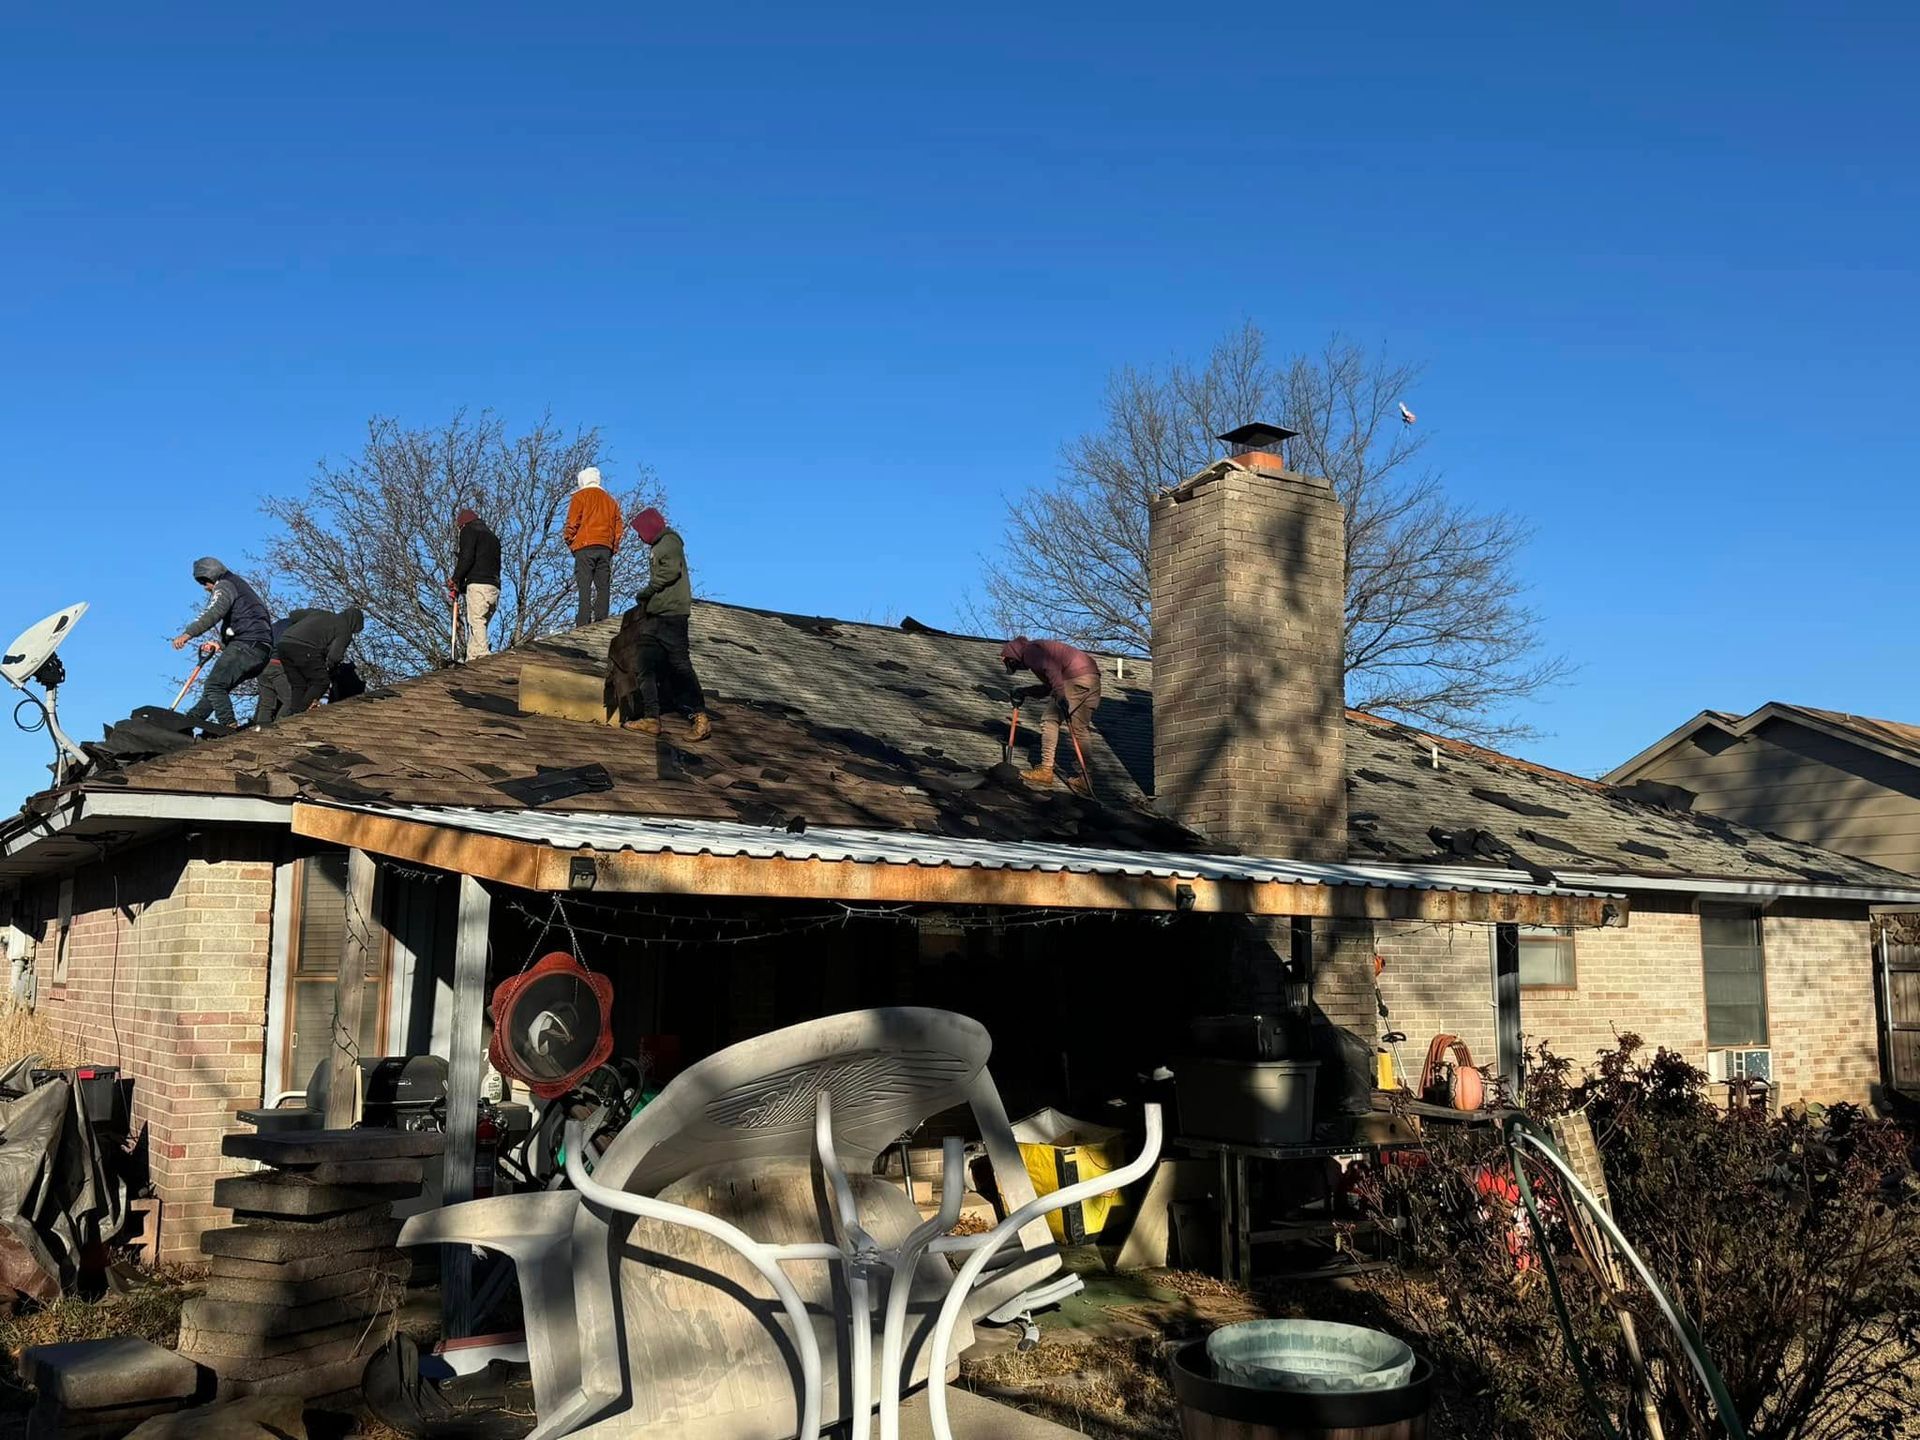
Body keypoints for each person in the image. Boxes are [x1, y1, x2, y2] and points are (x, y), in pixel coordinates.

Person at [613, 507, 710, 741]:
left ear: (649, 527)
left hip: (671, 616)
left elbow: (670, 571)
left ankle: (700, 717)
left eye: (640, 531)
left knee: (680, 665)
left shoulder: (669, 542)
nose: (639, 537)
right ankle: (651, 718)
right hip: (656, 616)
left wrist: (647, 591)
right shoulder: (660, 545)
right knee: (644, 663)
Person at [172, 558, 274, 728]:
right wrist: (223, 645)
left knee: (214, 686)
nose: (205, 588)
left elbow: (213, 612)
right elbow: (251, 622)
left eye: (204, 582)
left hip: (246, 645)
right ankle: (188, 723)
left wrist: (188, 633)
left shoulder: (225, 585)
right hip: (261, 650)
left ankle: (228, 726)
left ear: (210, 575)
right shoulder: (241, 587)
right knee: (216, 691)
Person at [1001, 636, 1101, 791]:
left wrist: (1061, 694)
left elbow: (1051, 669)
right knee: (1080, 728)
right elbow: (1050, 686)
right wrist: (1025, 692)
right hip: (1092, 679)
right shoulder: (1040, 650)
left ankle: (1046, 770)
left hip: (1074, 677)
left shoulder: (1030, 651)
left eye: (1015, 666)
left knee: (1050, 720)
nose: (1020, 668)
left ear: (1013, 658)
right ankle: (1085, 778)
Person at [255, 607, 365, 725]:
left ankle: (290, 713)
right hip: (303, 648)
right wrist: (330, 668)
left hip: (284, 645)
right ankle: (297, 713)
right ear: (354, 624)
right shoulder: (345, 629)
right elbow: (335, 656)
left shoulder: (320, 613)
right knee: (322, 681)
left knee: (298, 684)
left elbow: (294, 613)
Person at [564, 466, 622, 626]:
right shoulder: (611, 501)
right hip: (605, 548)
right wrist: (613, 547)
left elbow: (573, 522)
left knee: (584, 585)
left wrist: (569, 539)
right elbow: (618, 528)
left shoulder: (580, 497)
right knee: (603, 585)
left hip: (585, 546)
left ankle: (583, 620)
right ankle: (601, 619)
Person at [451, 508, 502, 659]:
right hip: (494, 586)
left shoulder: (469, 531)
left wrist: (455, 578)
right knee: (480, 623)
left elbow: (466, 558)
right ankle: (472, 657)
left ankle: (481, 654)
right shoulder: (492, 537)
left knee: (476, 620)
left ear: (462, 525)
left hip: (478, 584)